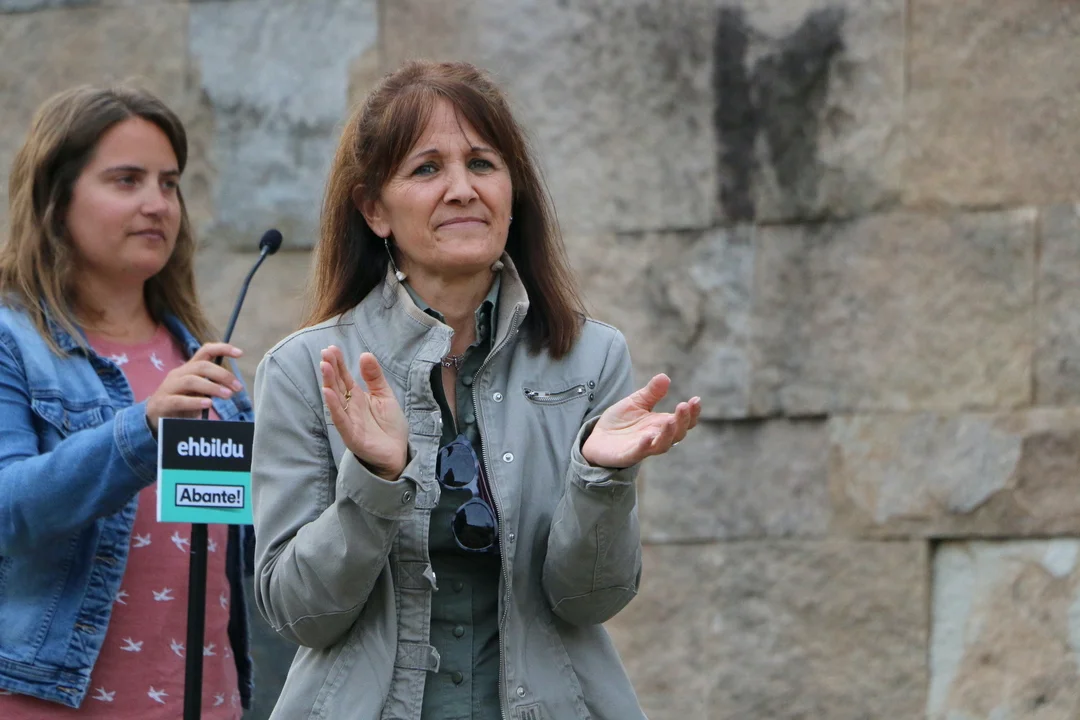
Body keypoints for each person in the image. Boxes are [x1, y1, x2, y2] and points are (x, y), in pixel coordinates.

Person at [250, 60, 702, 720]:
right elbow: (299, 614)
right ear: (374, 209)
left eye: (483, 164)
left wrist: (599, 479)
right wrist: (376, 480)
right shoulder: (305, 370)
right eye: (427, 168)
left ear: (513, 194)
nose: (462, 189)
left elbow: (589, 600)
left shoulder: (592, 356)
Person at [0, 85, 254, 717]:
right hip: (49, 703)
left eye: (169, 184)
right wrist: (142, 429)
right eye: (126, 180)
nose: (157, 204)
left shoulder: (200, 357)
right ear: (57, 198)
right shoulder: (13, 342)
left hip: (205, 702)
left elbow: (246, 549)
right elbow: (8, 510)